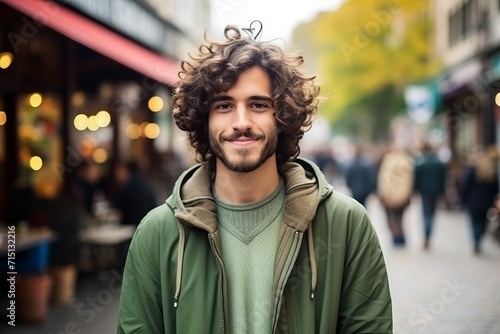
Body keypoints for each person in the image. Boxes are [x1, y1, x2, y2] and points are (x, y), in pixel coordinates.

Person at [117, 24, 392, 333]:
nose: (241, 122)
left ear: (283, 115)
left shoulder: (346, 223)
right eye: (224, 105)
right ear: (204, 119)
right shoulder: (158, 233)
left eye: (258, 105)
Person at [460, 148, 499, 254]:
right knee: (483, 222)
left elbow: (465, 186)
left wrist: (462, 199)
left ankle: (476, 239)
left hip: (473, 201)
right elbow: (495, 188)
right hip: (486, 201)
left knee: (474, 222)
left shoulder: (472, 169)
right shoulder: (491, 170)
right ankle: (479, 238)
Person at [377, 146, 414, 247]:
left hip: (390, 196)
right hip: (403, 197)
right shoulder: (407, 161)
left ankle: (396, 236)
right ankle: (400, 236)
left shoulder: (388, 161)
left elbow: (384, 180)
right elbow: (408, 182)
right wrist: (404, 195)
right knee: (400, 217)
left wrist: (386, 194)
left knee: (392, 217)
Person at [413, 141, 446, 250]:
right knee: (432, 213)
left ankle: (426, 236)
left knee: (426, 213)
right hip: (435, 191)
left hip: (425, 192)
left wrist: (415, 190)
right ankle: (428, 235)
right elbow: (443, 179)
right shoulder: (438, 163)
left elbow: (416, 179)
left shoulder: (420, 163)